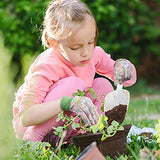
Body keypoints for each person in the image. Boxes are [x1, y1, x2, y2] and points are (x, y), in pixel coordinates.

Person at [12, 0, 137, 146]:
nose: (86, 53)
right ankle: (32, 141)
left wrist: (124, 67)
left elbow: (128, 81)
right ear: (54, 43)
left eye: (91, 42)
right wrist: (67, 103)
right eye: (75, 47)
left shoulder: (93, 54)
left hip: (65, 128)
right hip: (34, 125)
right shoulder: (47, 65)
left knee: (103, 84)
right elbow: (26, 117)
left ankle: (89, 136)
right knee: (75, 84)